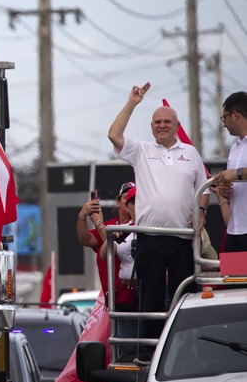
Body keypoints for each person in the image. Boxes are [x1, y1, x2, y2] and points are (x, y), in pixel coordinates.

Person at [108, 82, 209, 343]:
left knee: (185, 295)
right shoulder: (142, 150)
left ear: (176, 125)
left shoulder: (191, 153)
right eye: (157, 122)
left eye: (167, 121)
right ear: (151, 127)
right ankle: (151, 354)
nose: (162, 125)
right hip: (149, 237)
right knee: (150, 298)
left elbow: (203, 190)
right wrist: (132, 103)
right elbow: (114, 135)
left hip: (183, 237)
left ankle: (186, 348)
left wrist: (200, 211)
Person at [78, 185, 138, 358]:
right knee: (126, 348)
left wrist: (98, 223)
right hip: (120, 299)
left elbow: (116, 245)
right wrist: (82, 217)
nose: (132, 203)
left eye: (137, 199)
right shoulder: (110, 226)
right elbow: (90, 241)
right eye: (128, 198)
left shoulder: (147, 225)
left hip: (143, 295)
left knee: (145, 346)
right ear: (119, 203)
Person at [212, 91, 247, 252]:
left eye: (224, 118)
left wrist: (236, 174)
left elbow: (236, 174)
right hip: (234, 231)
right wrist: (225, 191)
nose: (223, 124)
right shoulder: (234, 147)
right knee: (231, 277)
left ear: (235, 115)